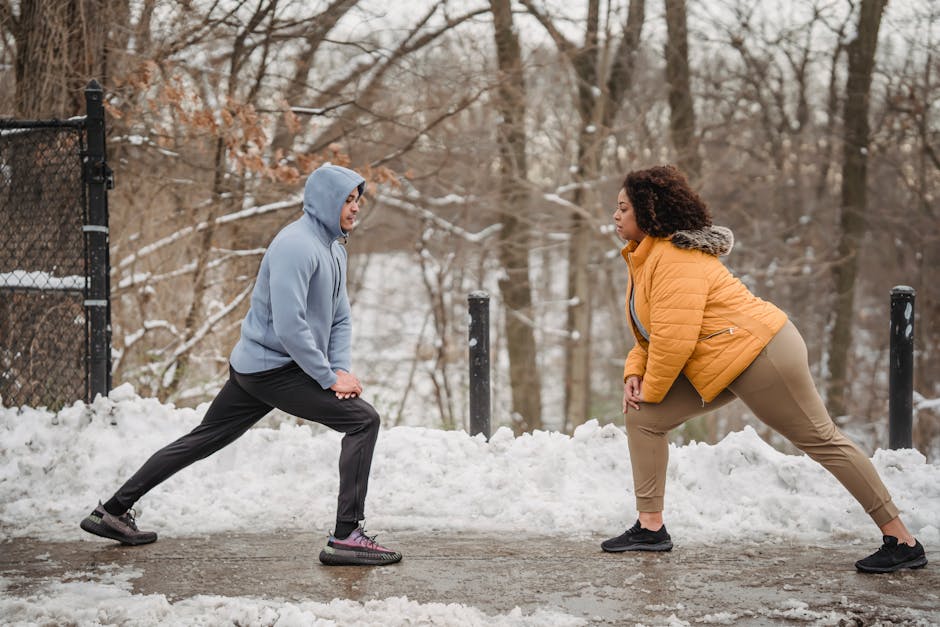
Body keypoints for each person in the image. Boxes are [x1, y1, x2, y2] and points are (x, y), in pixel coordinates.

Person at [602, 164, 927, 574]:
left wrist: (650, 385)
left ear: (648, 213)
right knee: (646, 418)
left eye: (623, 208)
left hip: (763, 353)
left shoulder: (673, 259)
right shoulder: (645, 259)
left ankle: (902, 539)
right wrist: (635, 373)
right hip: (723, 358)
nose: (615, 216)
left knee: (821, 439)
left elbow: (674, 342)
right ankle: (651, 529)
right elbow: (650, 335)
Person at [80, 164, 402, 567]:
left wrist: (338, 370)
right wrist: (326, 375)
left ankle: (111, 511)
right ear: (326, 200)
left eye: (357, 200)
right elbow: (289, 326)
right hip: (272, 370)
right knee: (362, 421)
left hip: (268, 368)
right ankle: (346, 536)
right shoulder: (295, 246)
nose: (355, 208)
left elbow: (340, 317)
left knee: (203, 439)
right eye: (347, 200)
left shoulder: (334, 249)